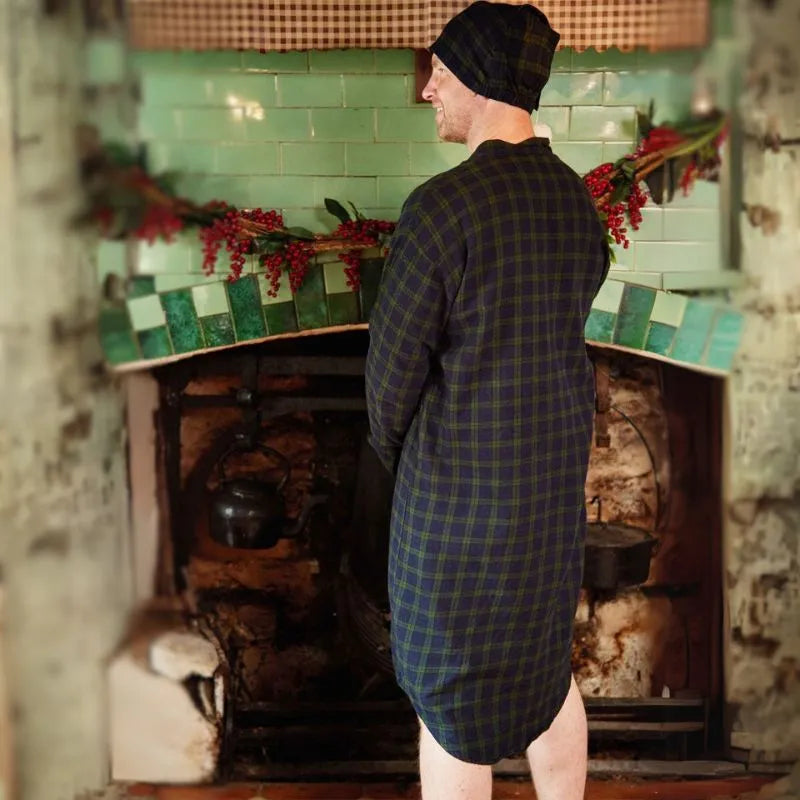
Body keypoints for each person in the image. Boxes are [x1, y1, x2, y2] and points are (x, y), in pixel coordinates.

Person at [364, 3, 609, 798]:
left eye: (439, 70)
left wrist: (402, 469)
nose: (428, 89)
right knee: (546, 670)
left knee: (449, 703)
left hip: (457, 511)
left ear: (476, 77)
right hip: (548, 499)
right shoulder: (574, 200)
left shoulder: (443, 208)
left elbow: (390, 385)